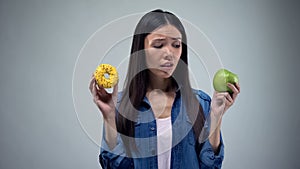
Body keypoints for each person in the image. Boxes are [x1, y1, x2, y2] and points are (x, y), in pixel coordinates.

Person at [89, 9, 240, 169]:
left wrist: (216, 116)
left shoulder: (200, 103)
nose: (170, 53)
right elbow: (114, 167)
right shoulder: (120, 105)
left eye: (176, 45)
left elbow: (210, 166)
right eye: (159, 45)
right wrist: (109, 117)